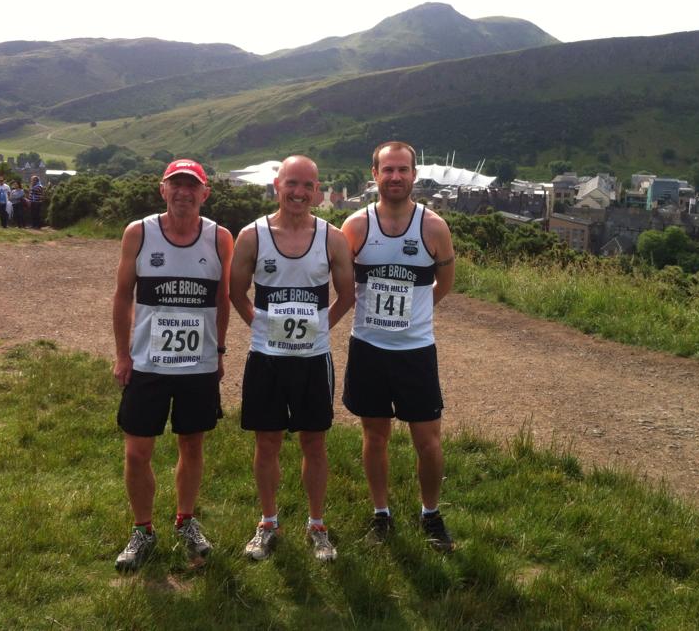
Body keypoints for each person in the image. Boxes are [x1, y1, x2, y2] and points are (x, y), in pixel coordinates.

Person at [229, 155, 355, 562]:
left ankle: (317, 525)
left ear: (317, 191)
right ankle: (267, 522)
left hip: (313, 360)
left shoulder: (332, 238)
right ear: (276, 186)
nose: (299, 193)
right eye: (292, 184)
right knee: (266, 442)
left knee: (313, 442)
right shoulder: (252, 236)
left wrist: (319, 332)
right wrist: (259, 327)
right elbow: (236, 292)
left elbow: (347, 296)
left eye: (307, 186)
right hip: (266, 359)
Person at [112, 159, 234, 572]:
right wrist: (122, 355)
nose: (183, 192)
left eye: (191, 186)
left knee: (192, 444)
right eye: (175, 185)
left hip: (197, 366)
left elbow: (222, 300)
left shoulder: (220, 238)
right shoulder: (139, 233)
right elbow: (122, 296)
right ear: (162, 190)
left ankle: (185, 520)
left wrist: (218, 353)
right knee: (137, 451)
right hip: (148, 364)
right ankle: (142, 530)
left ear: (205, 193)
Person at [341, 141, 457, 552]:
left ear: (414, 175)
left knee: (429, 439)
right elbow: (341, 283)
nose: (394, 177)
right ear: (374, 175)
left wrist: (415, 318)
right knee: (375, 436)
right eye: (387, 170)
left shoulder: (433, 227)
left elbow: (444, 284)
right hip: (368, 348)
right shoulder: (355, 226)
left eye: (402, 170)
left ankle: (430, 513)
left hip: (415, 351)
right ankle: (381, 515)